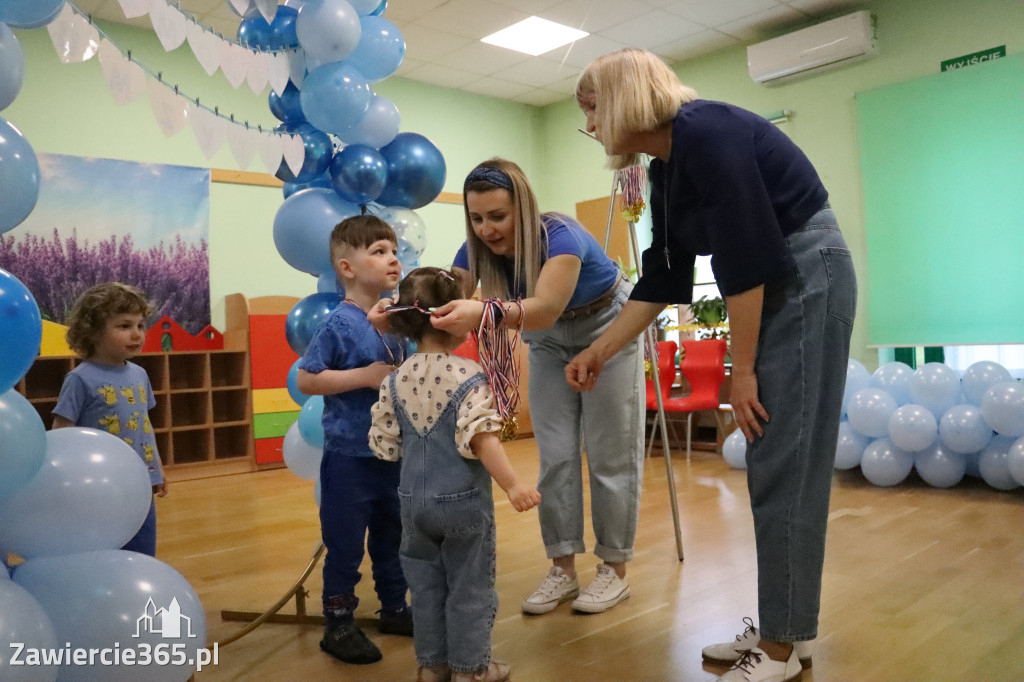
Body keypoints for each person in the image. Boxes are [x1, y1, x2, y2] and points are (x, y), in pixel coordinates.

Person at [568, 48, 857, 682]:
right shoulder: (667, 166)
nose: (588, 125)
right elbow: (664, 278)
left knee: (783, 459)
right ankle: (788, 628)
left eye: (590, 108)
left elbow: (746, 263)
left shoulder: (707, 131)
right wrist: (598, 349)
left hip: (808, 275)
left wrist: (741, 371)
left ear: (618, 99)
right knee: (774, 459)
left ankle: (780, 648)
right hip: (783, 279)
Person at [429, 158, 646, 616]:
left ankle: (613, 570)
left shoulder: (561, 237)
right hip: (548, 342)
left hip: (607, 326)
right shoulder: (471, 253)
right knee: (557, 456)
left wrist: (481, 313)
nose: (486, 229)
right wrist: (404, 307)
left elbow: (544, 307)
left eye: (498, 216)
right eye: (476, 218)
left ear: (523, 210)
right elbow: (446, 306)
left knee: (610, 455)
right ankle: (563, 569)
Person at [369, 266, 541, 682]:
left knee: (425, 591)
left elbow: (385, 445)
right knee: (470, 589)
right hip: (462, 503)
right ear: (454, 320)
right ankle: (470, 670)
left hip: (412, 503)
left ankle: (431, 667)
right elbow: (483, 439)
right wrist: (514, 484)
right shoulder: (468, 377)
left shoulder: (395, 379)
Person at [295, 214, 413, 665]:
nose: (392, 259)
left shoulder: (397, 322)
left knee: (393, 535)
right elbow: (308, 379)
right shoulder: (340, 324)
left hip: (392, 456)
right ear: (347, 267)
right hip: (349, 458)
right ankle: (338, 624)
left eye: (394, 251)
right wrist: (363, 376)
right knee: (345, 544)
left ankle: (395, 608)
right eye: (379, 251)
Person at [52, 282, 166, 556]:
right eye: (124, 326)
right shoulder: (80, 378)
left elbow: (144, 425)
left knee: (142, 547)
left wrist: (157, 468)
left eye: (140, 325)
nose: (136, 334)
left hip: (139, 481)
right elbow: (61, 432)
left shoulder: (139, 374)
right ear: (92, 331)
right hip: (100, 484)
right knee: (104, 549)